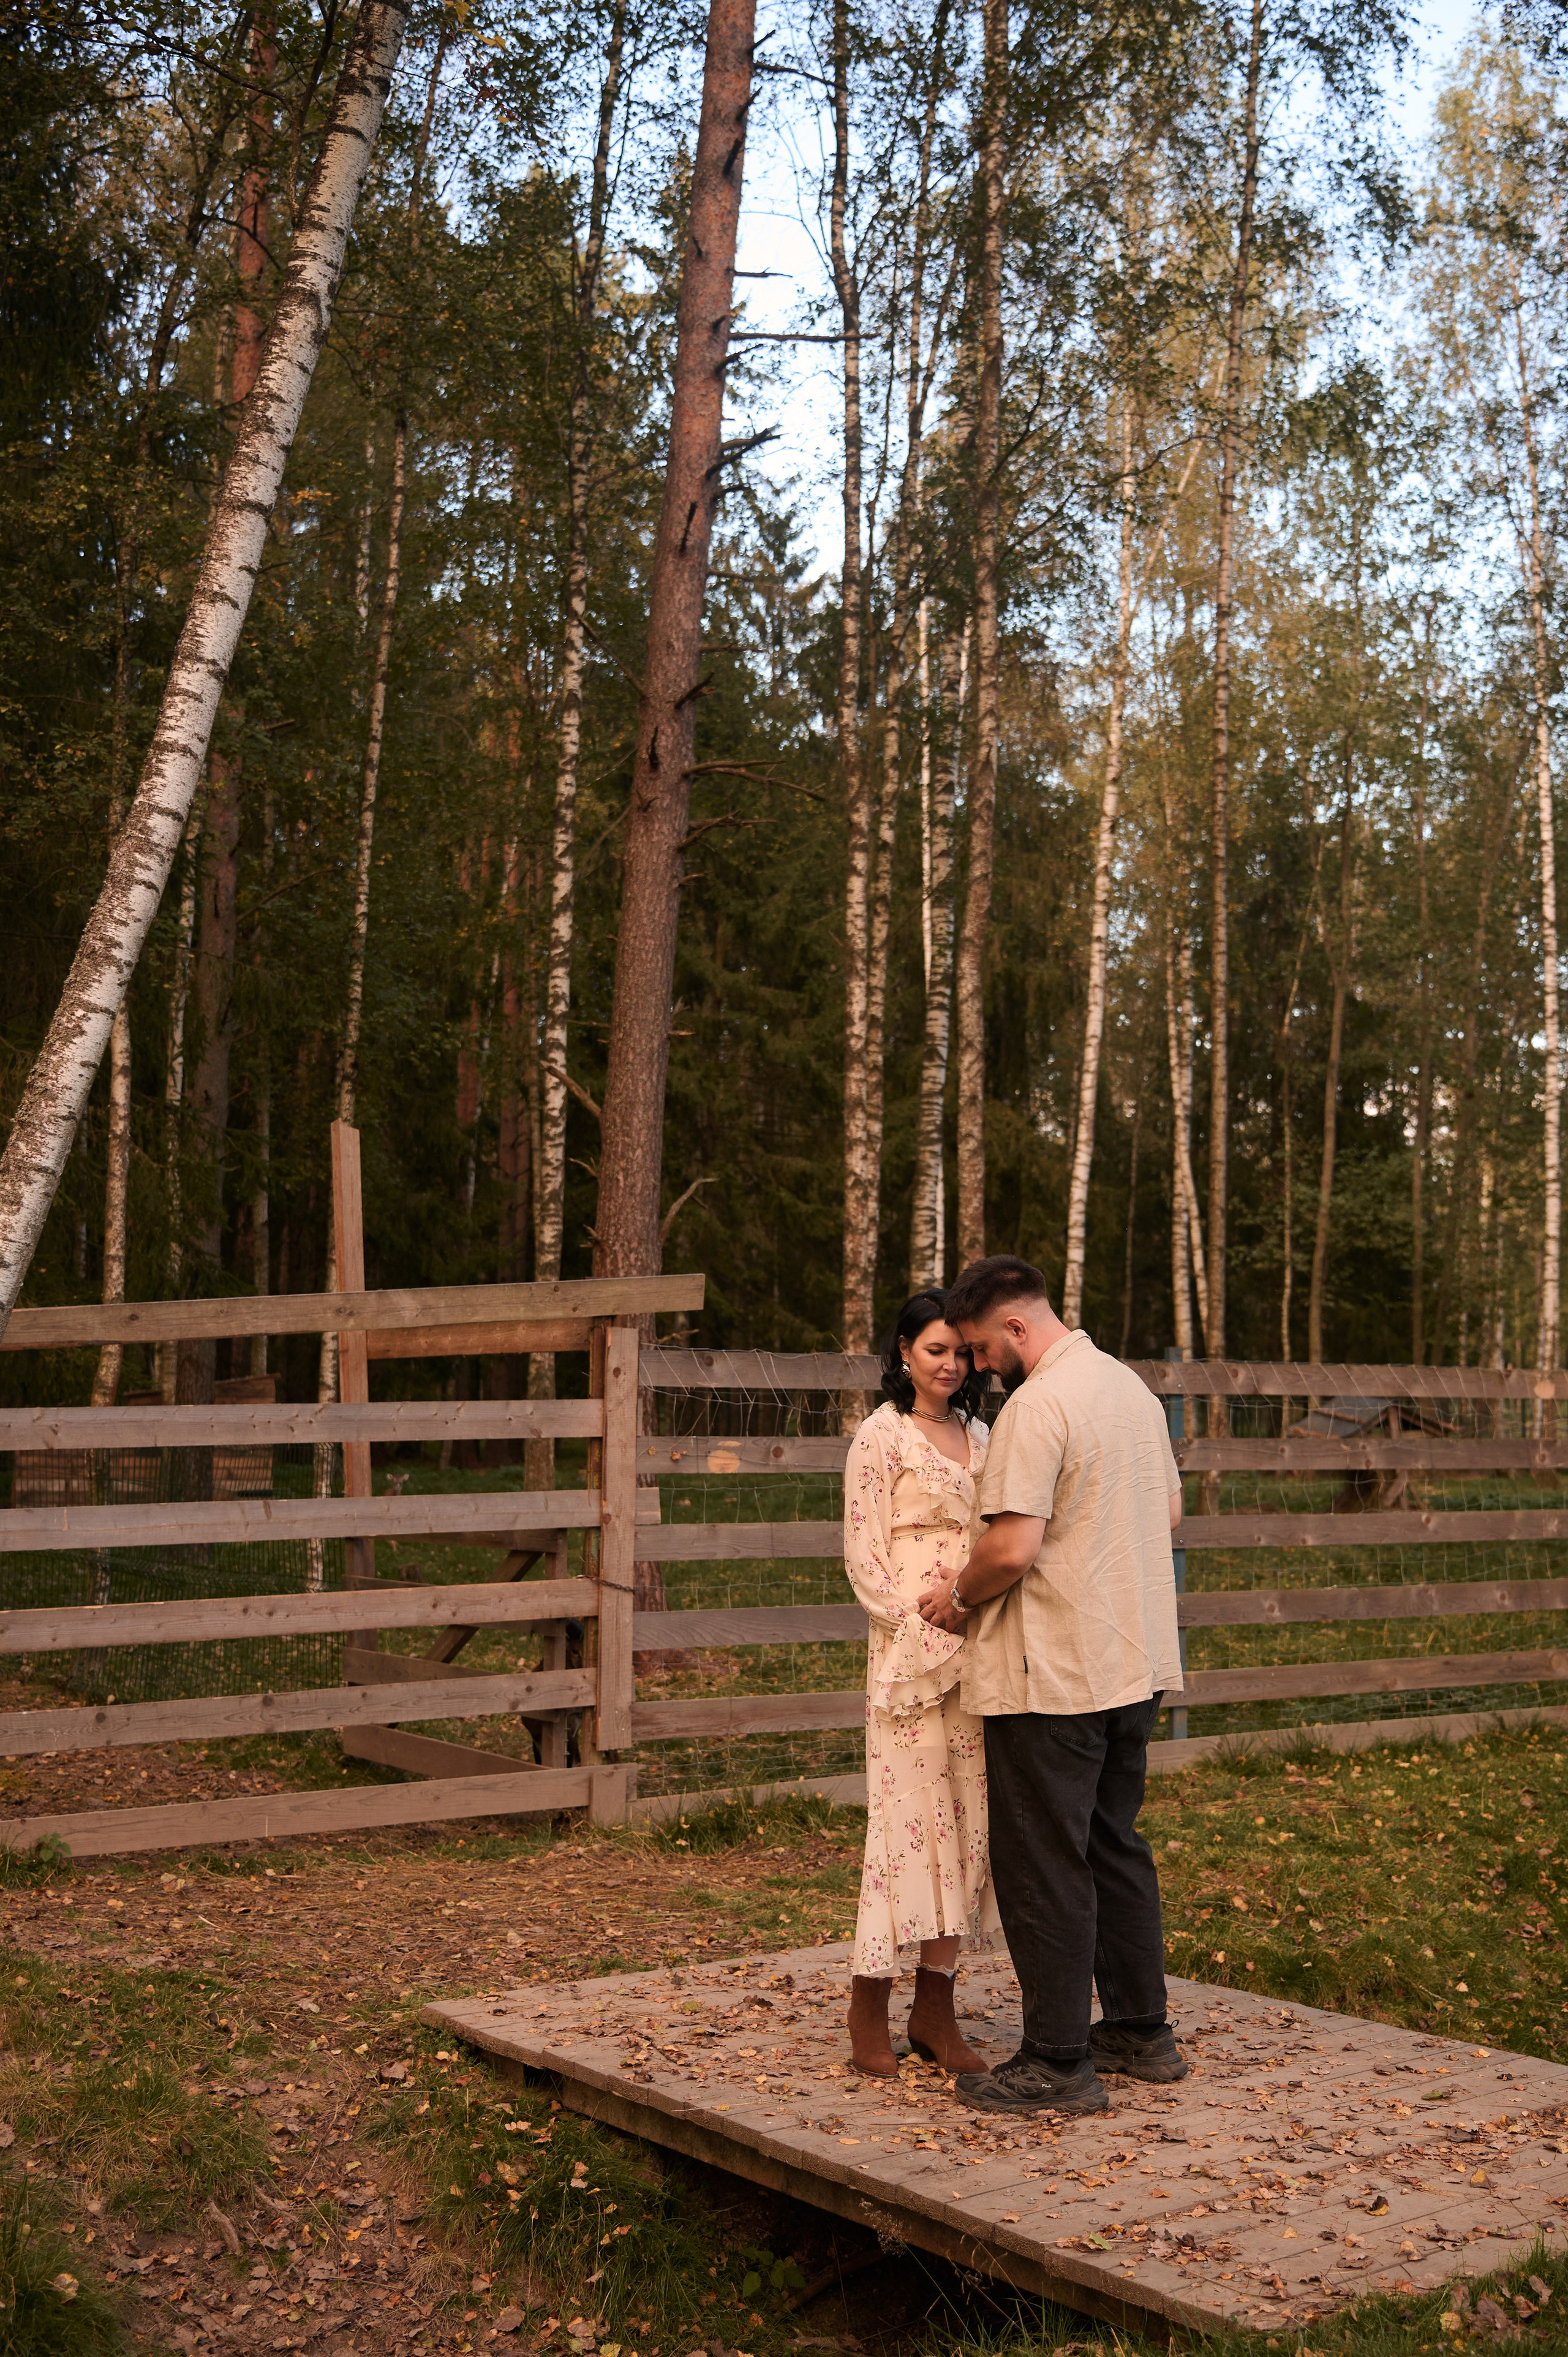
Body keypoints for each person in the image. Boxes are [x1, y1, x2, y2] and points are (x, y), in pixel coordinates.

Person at [916, 1254, 1186, 2118]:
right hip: (1131, 1659)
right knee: (1114, 1843)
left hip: (1052, 1674)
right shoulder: (1130, 1391)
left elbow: (1010, 1548)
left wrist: (957, 1598)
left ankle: (1059, 2061)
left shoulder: (1039, 1408)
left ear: (1019, 1329)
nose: (978, 1366)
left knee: (1042, 1860)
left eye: (984, 1348)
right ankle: (1143, 2032)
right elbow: (1169, 1510)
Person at [841, 1292, 1002, 2079]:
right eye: (935, 1349)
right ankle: (867, 1999)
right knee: (905, 1821)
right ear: (903, 1350)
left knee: (968, 1822)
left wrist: (973, 1613)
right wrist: (916, 1628)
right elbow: (862, 1553)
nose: (951, 1364)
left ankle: (935, 2007)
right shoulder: (880, 1435)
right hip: (909, 1659)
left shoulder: (983, 1434)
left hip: (977, 1645)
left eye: (961, 1352)